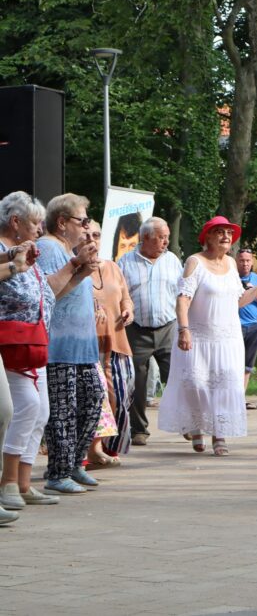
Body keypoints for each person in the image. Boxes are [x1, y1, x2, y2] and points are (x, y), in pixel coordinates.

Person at [158, 217, 257, 455]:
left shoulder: (232, 265)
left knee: (225, 384)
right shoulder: (195, 261)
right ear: (207, 237)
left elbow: (238, 301)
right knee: (197, 384)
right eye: (219, 232)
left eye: (229, 232)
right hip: (198, 336)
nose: (226, 236)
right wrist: (184, 330)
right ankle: (196, 428)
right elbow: (183, 299)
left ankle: (219, 435)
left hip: (228, 338)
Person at [36, 193, 104, 494]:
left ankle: (75, 464)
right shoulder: (49, 247)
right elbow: (48, 295)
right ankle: (59, 471)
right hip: (60, 346)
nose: (86, 226)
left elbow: (72, 289)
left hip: (82, 347)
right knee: (63, 411)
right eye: (82, 220)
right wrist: (78, 269)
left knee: (92, 401)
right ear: (62, 222)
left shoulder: (67, 248)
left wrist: (84, 273)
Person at [0, 191, 58, 513]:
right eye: (35, 222)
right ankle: (7, 481)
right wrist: (14, 264)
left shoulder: (25, 253)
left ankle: (23, 482)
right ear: (15, 222)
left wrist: (77, 270)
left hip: (35, 344)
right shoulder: (8, 254)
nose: (40, 229)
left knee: (40, 411)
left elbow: (46, 296)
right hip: (11, 344)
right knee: (24, 407)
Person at [119, 217, 182, 445]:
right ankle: (139, 430)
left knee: (178, 376)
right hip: (137, 331)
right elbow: (119, 296)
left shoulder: (173, 261)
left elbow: (183, 292)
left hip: (168, 328)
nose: (166, 241)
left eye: (166, 236)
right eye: (161, 237)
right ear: (146, 238)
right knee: (136, 381)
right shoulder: (125, 262)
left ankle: (185, 422)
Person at [88, 224, 135, 465]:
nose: (92, 240)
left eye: (96, 235)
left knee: (120, 394)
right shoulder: (76, 268)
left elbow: (126, 296)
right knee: (95, 397)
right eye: (87, 236)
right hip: (87, 346)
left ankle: (110, 446)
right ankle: (89, 450)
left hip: (116, 341)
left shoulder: (113, 267)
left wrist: (127, 310)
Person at [236, 248, 257, 408]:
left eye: (248, 260)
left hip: (254, 326)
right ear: (236, 261)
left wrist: (254, 291)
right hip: (235, 325)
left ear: (252, 262)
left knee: (247, 365)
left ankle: (241, 397)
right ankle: (232, 397)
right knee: (233, 363)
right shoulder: (231, 277)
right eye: (242, 260)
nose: (245, 263)